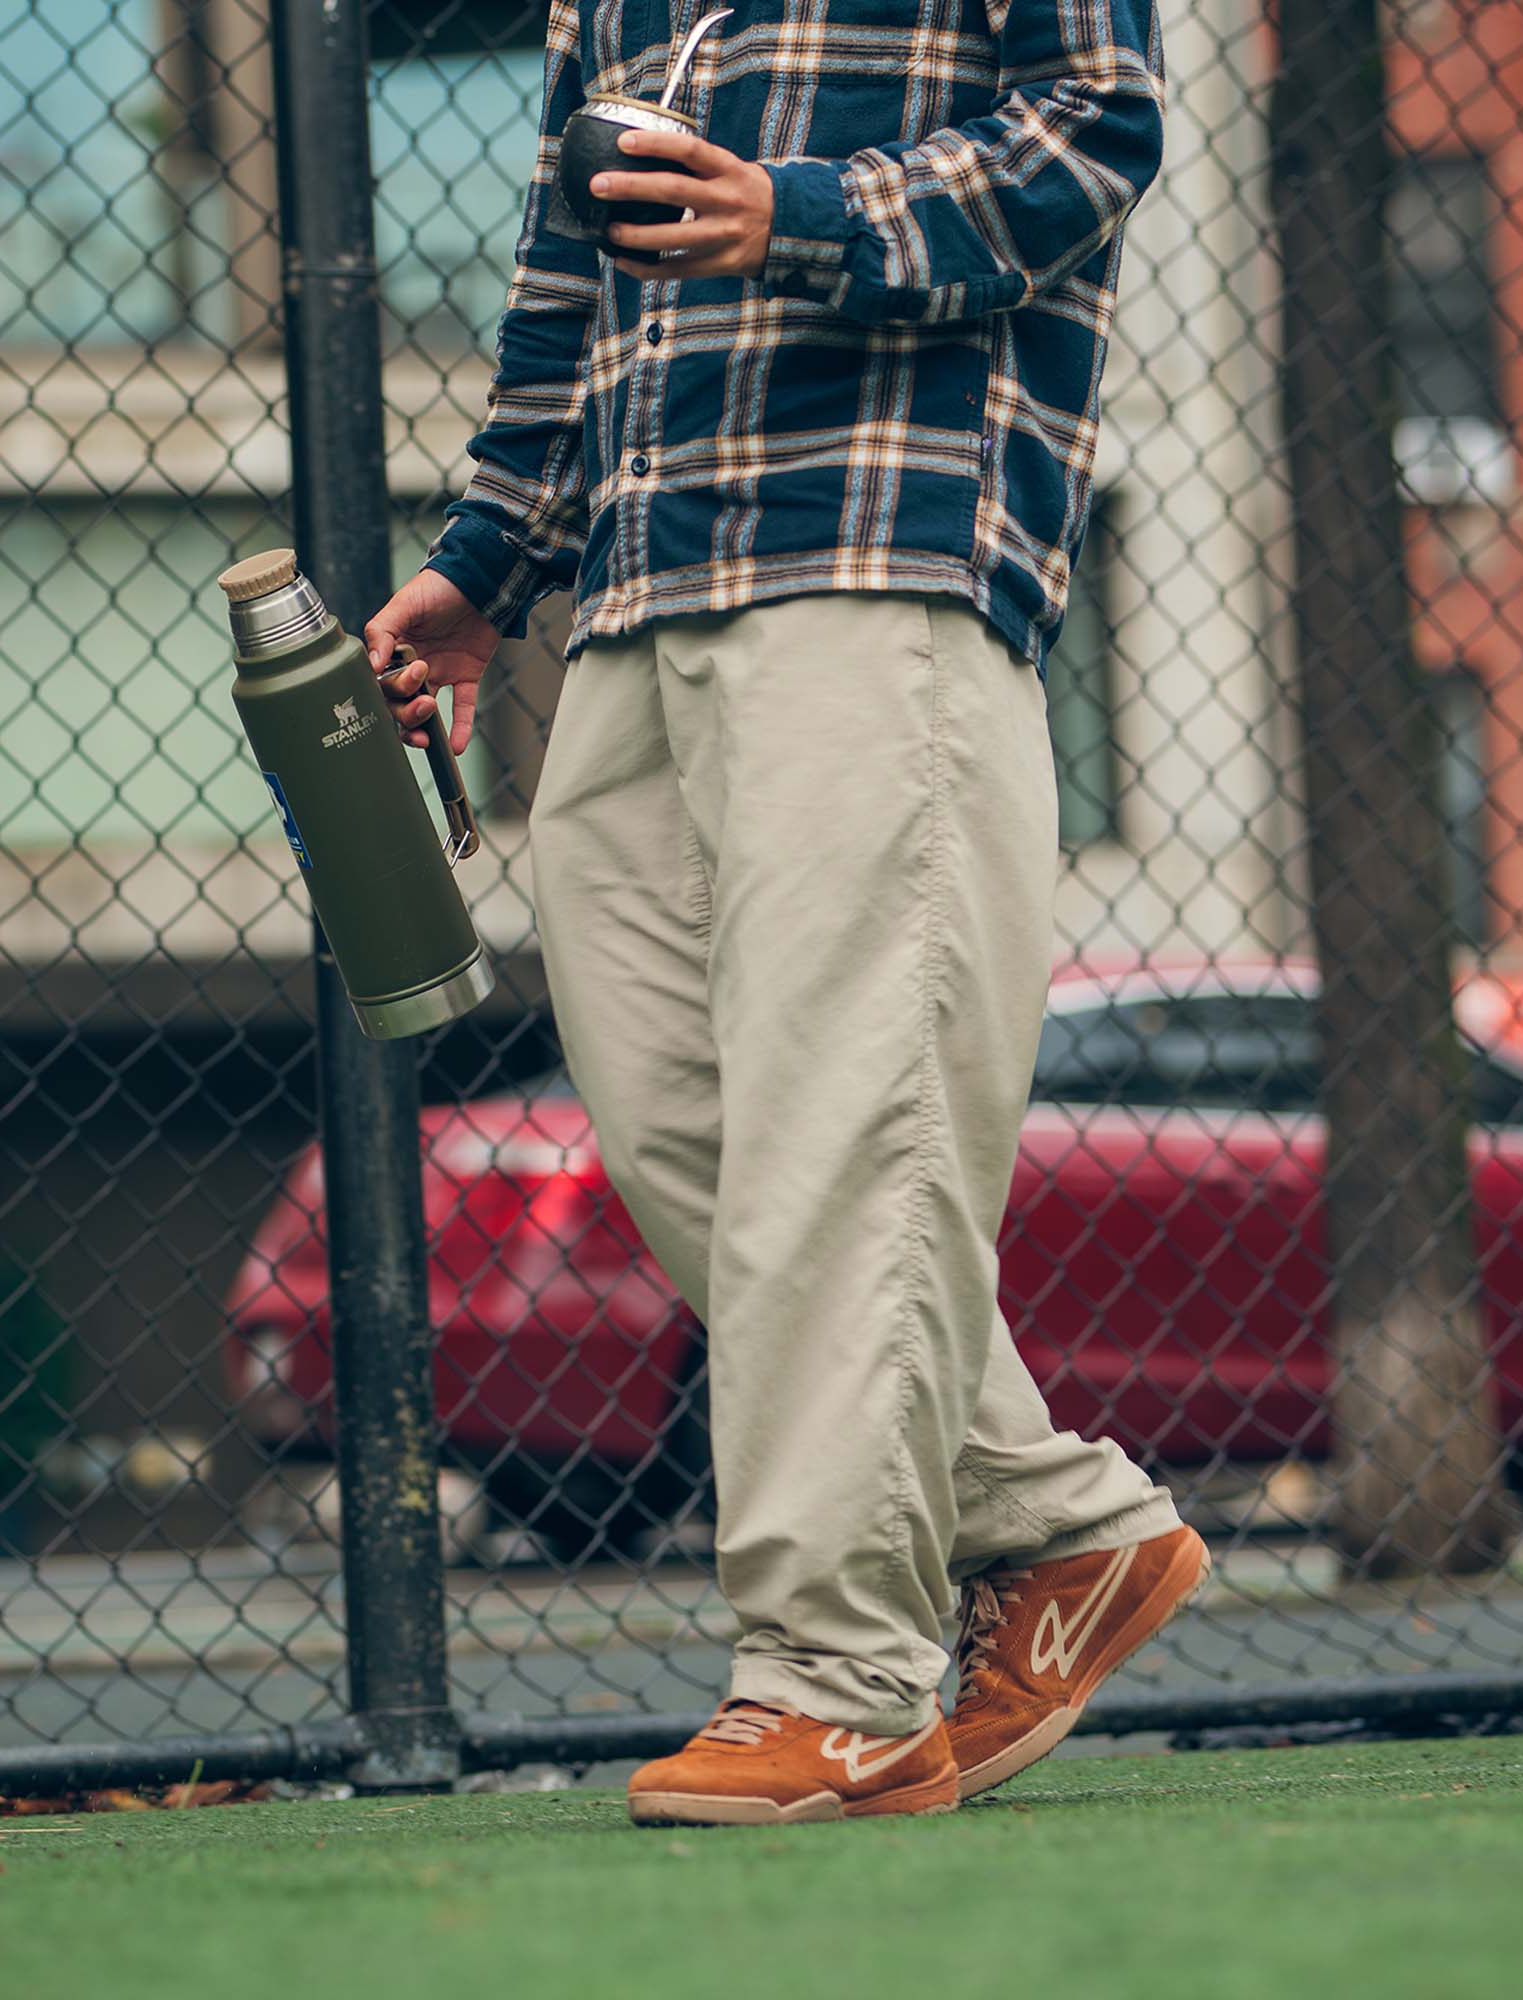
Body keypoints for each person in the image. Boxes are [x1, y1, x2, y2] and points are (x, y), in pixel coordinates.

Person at [365, 0, 1206, 1827]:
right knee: (704, 1134)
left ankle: (838, 1681)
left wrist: (805, 214)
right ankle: (1053, 1526)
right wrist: (482, 563)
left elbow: (1099, 125)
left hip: (878, 556)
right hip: (637, 586)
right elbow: (562, 287)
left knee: (842, 1133)